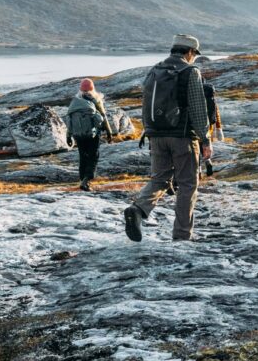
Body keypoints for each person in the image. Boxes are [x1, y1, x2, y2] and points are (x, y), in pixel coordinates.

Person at [123, 34, 212, 242]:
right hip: (182, 138)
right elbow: (198, 109)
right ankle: (182, 235)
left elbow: (146, 104)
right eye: (194, 54)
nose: (193, 58)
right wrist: (205, 140)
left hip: (156, 136)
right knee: (188, 184)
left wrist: (151, 132)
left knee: (160, 179)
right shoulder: (190, 72)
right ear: (189, 52)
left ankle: (137, 209)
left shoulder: (155, 70)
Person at [66, 78, 114, 191]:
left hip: (78, 134)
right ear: (93, 89)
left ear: (80, 89)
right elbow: (103, 116)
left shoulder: (74, 101)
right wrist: (109, 132)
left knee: (83, 157)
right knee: (93, 156)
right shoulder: (95, 100)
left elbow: (69, 119)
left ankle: (82, 180)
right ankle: (86, 180)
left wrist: (68, 135)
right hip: (92, 134)